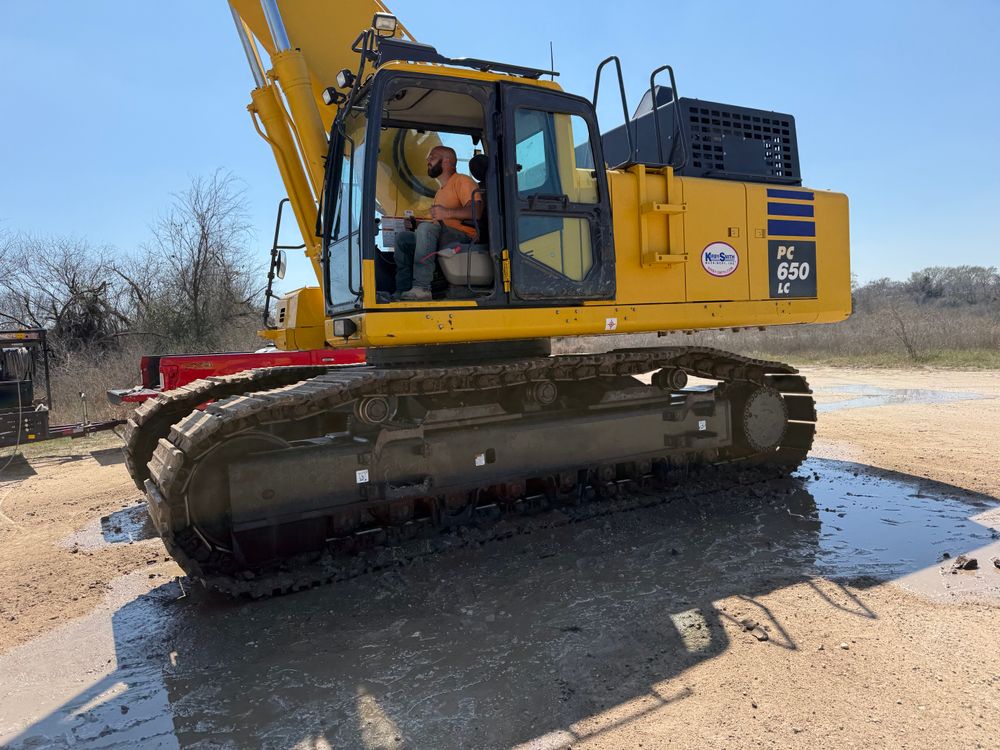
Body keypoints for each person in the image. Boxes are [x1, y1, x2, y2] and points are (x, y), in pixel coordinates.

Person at [393, 146, 481, 301]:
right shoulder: (440, 192)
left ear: (446, 161)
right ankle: (403, 289)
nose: (428, 160)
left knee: (427, 229)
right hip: (444, 234)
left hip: (465, 236)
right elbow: (437, 222)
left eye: (432, 157)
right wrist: (415, 227)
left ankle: (422, 287)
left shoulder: (462, 181)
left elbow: (477, 211)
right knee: (403, 239)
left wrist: (447, 213)